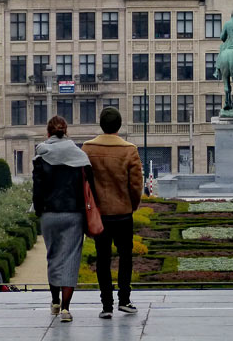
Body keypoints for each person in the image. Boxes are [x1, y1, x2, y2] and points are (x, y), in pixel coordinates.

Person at [83, 107, 144, 320]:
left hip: (100, 214)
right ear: (119, 125)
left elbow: (84, 183)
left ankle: (106, 305)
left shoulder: (88, 148)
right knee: (125, 257)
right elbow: (136, 184)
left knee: (103, 259)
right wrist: (132, 204)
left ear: (101, 124)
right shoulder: (129, 150)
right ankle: (124, 300)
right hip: (123, 213)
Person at [33, 115, 93, 323]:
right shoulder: (80, 156)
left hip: (49, 214)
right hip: (73, 214)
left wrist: (39, 211)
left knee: (53, 257)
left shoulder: (41, 156)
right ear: (66, 132)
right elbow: (89, 187)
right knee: (71, 260)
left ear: (48, 133)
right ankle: (66, 308)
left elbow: (37, 189)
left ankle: (55, 301)